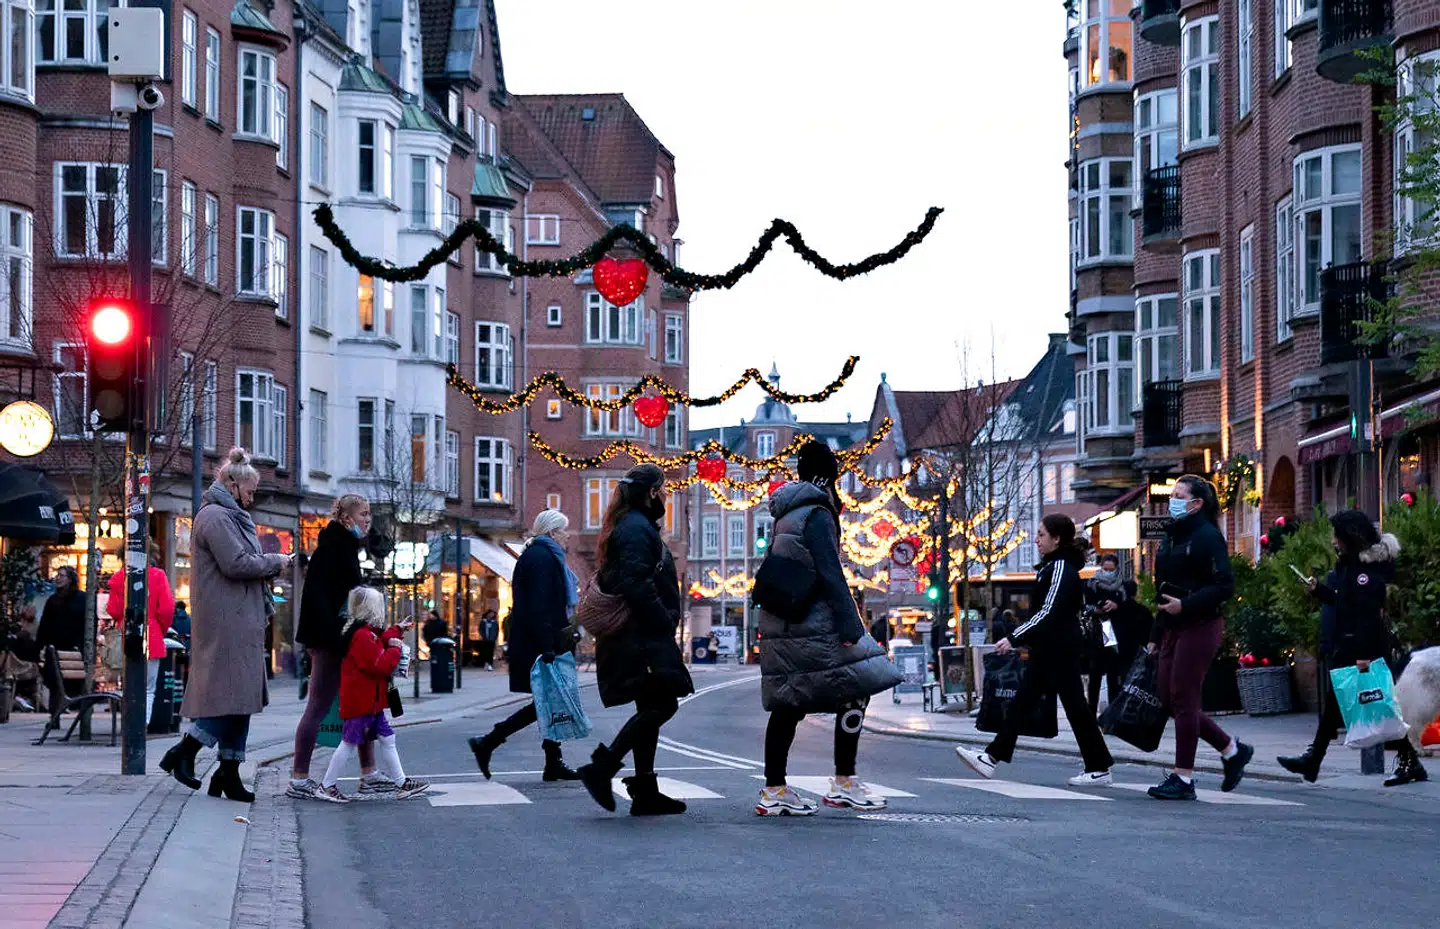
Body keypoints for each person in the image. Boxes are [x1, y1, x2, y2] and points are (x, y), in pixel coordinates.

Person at [754, 442, 901, 816]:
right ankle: (844, 782)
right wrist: (851, 624)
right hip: (813, 620)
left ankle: (774, 789)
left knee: (789, 702)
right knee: (859, 687)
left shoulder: (787, 513)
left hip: (783, 619)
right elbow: (830, 572)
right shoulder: (817, 513)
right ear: (829, 475)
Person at [159, 449, 292, 802]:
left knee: (241, 697)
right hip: (226, 618)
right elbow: (235, 563)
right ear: (232, 484)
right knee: (232, 698)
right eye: (249, 490)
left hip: (239, 616)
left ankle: (228, 772)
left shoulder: (230, 516)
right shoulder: (216, 518)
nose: (252, 496)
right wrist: (275, 561)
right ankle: (184, 752)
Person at [956, 514, 1115, 786]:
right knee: (1026, 702)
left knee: (1071, 707)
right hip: (1052, 647)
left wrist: (1014, 637)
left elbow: (1049, 611)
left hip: (1058, 649)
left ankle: (1098, 766)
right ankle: (992, 757)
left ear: (1057, 539)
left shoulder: (1060, 568)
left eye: (1041, 535)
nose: (1036, 539)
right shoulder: (1054, 567)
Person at [575, 464, 695, 816]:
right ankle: (604, 767)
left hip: (640, 633)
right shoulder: (634, 529)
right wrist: (662, 620)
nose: (665, 497)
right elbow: (636, 583)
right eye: (662, 490)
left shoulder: (633, 526)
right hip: (640, 635)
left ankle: (644, 790)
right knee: (663, 704)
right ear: (650, 493)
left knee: (650, 705)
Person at [1278, 511, 1428, 787]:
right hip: (1351, 643)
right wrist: (1320, 591)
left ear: (1349, 537)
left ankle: (1409, 762)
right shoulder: (1350, 565)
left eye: (1336, 535)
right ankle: (1314, 758)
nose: (1333, 541)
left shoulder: (1364, 572)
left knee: (1380, 705)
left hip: (1363, 647)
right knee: (1342, 700)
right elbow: (1344, 602)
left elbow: (1367, 615)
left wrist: (1364, 656)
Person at [1146, 474, 1253, 800]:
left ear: (1196, 504)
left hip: (1201, 624)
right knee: (1168, 698)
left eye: (1179, 495)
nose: (1172, 500)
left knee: (1184, 697)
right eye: (1172, 494)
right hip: (1172, 625)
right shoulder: (1171, 536)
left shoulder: (1208, 536)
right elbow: (1163, 587)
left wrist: (1186, 605)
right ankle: (1231, 749)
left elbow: (1224, 585)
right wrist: (1155, 631)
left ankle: (1184, 777)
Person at [288, 494, 389, 802]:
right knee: (319, 705)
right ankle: (299, 778)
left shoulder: (342, 548)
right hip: (331, 641)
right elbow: (327, 603)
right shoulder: (335, 550)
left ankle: (369, 773)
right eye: (363, 514)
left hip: (336, 638)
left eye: (369, 514)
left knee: (362, 704)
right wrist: (344, 635)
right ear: (346, 518)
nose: (367, 520)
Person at [468, 509, 582, 782]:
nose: (567, 536)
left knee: (550, 701)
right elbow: (539, 607)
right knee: (546, 702)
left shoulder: (540, 555)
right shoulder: (542, 558)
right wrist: (547, 648)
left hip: (540, 640)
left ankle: (551, 761)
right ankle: (489, 741)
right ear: (553, 533)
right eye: (563, 530)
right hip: (539, 643)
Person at [319, 587, 425, 802]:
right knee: (349, 743)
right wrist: (395, 648)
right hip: (364, 701)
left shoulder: (360, 632)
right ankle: (327, 785)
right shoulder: (363, 635)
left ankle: (402, 782)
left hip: (369, 701)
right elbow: (379, 665)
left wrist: (396, 631)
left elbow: (378, 642)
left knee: (387, 738)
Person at [105, 541, 175, 725]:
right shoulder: (158, 575)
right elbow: (167, 609)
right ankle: (142, 724)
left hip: (125, 635)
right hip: (152, 634)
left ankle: (128, 722)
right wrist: (160, 627)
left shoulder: (120, 577)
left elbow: (113, 609)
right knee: (149, 688)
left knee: (129, 685)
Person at [37, 566, 86, 666]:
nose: (58, 578)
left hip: (74, 648)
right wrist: (39, 645)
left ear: (70, 579)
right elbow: (45, 623)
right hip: (55, 647)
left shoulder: (82, 598)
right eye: (57, 575)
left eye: (62, 575)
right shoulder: (53, 600)